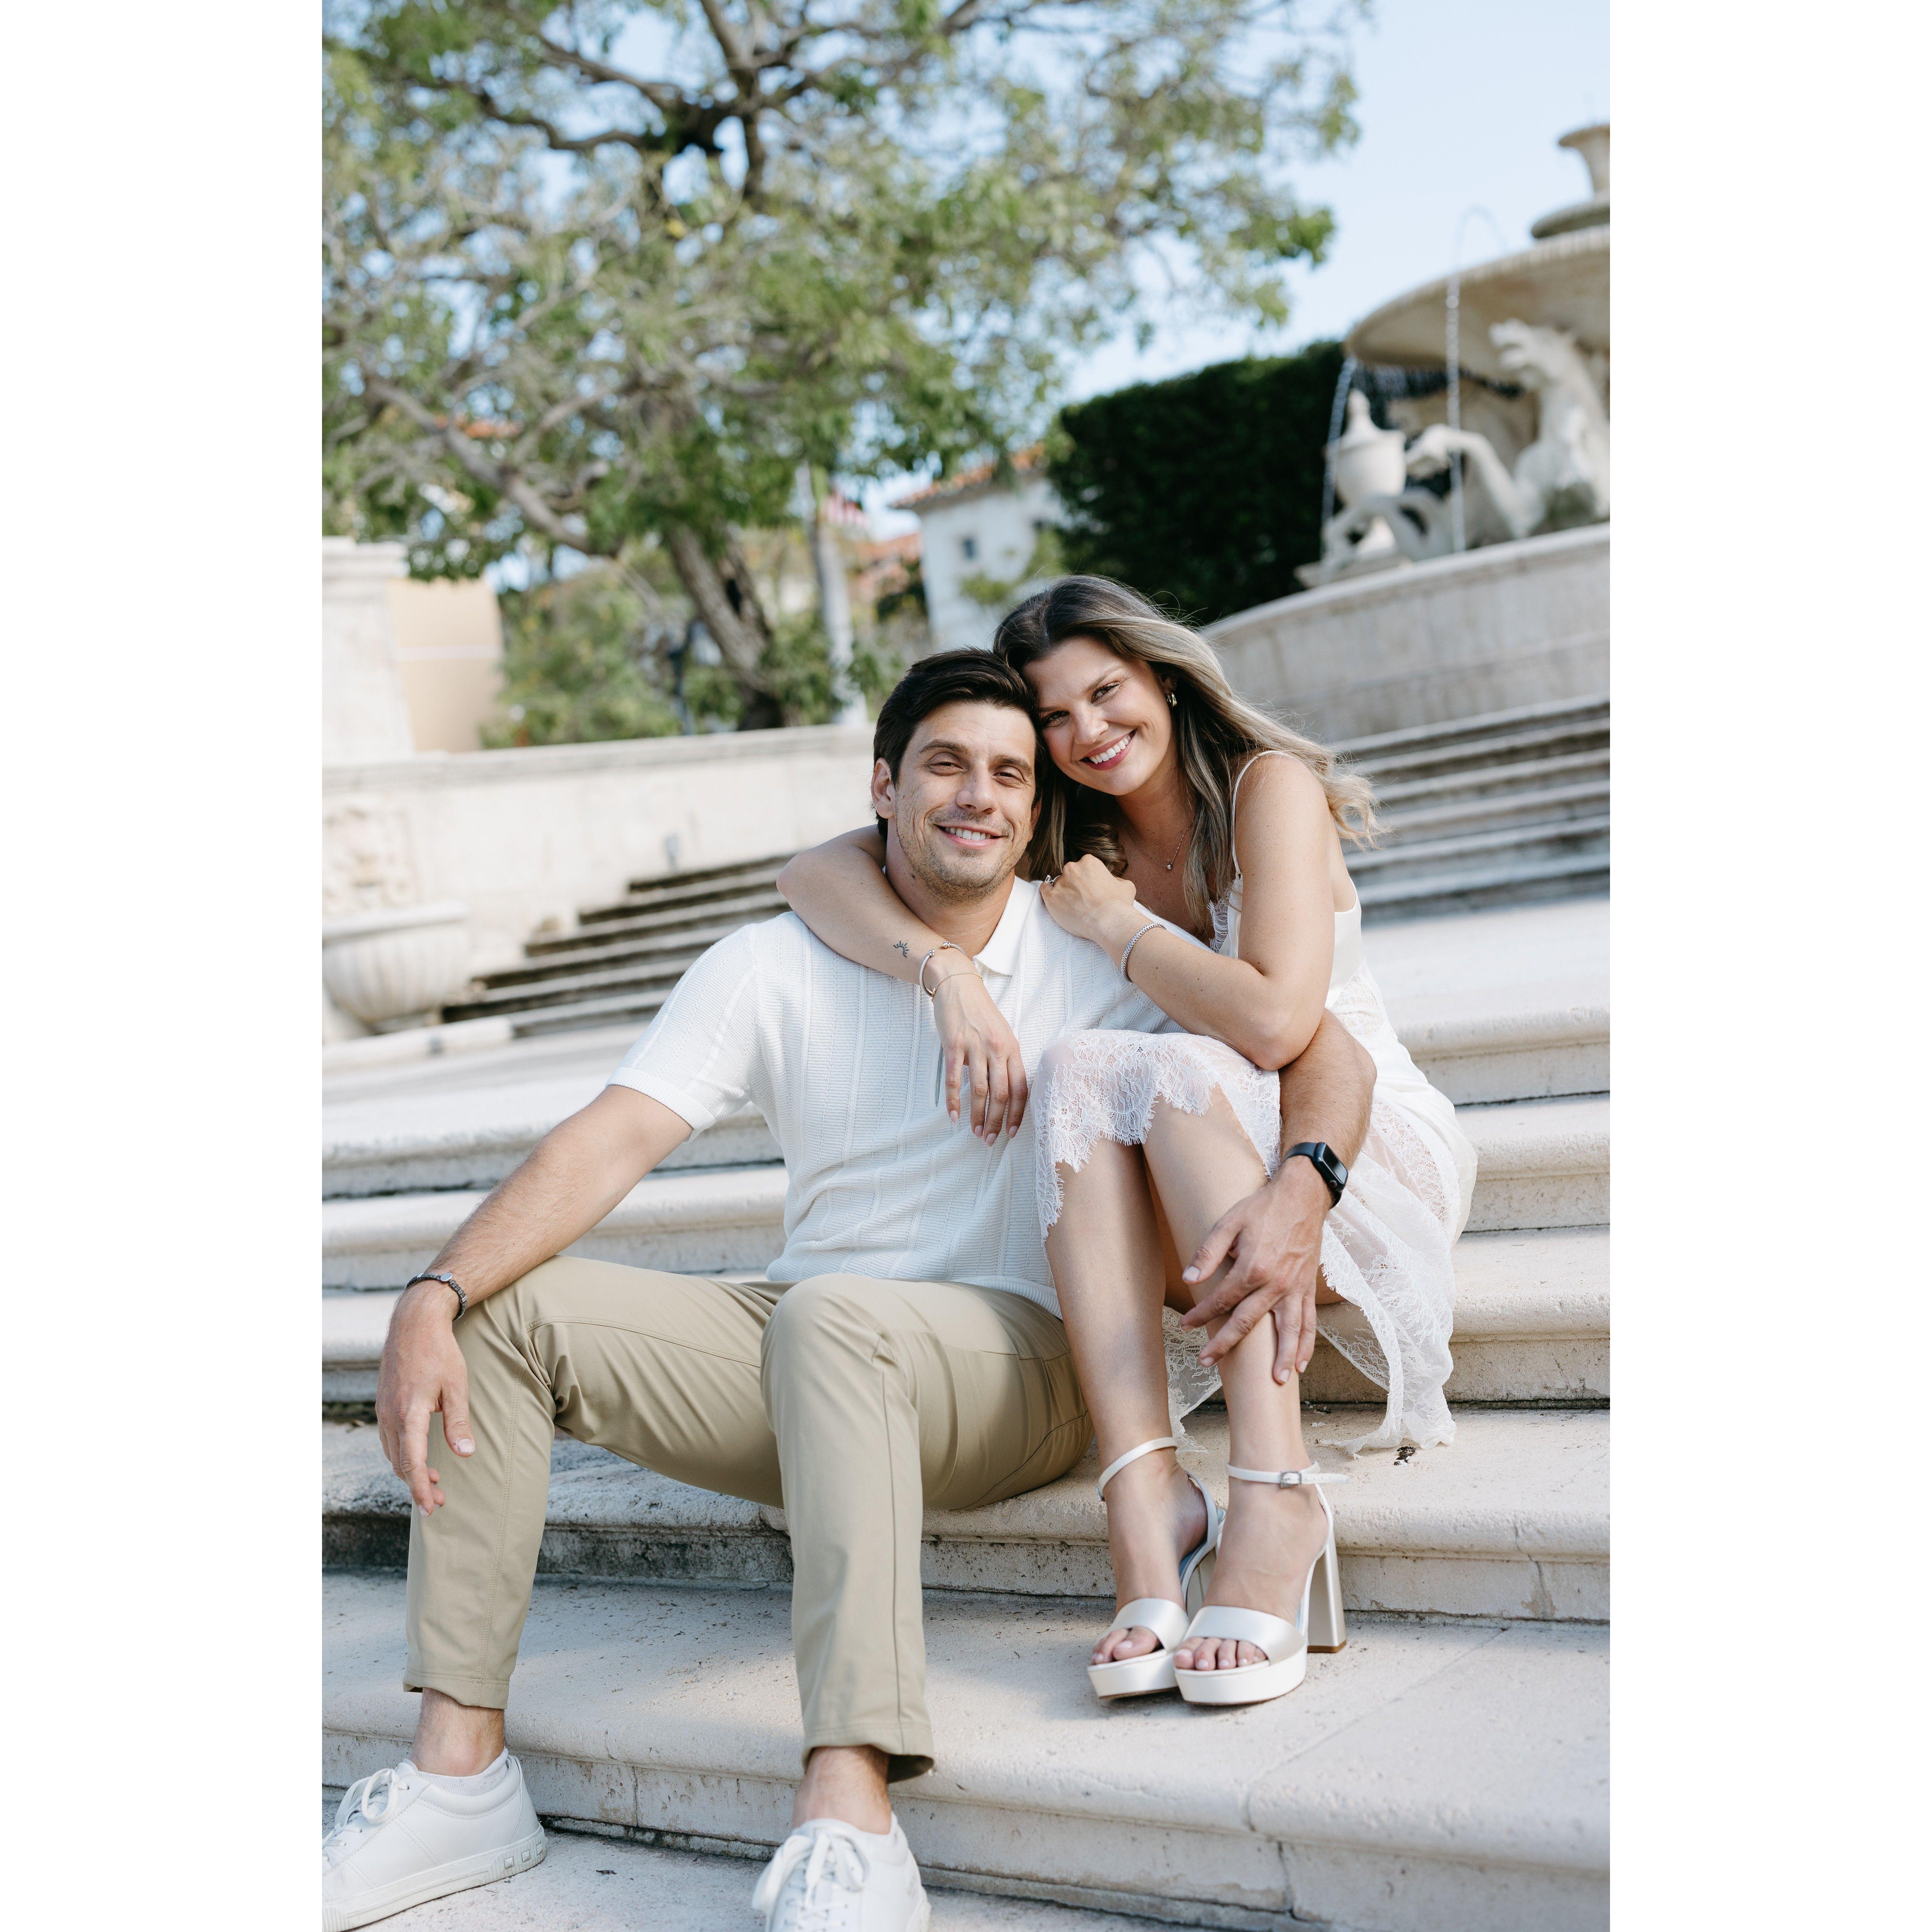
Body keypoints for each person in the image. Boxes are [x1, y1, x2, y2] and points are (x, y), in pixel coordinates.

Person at [323, 650, 1377, 1932]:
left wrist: (1307, 1184)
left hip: (1028, 1363)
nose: (978, 795)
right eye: (946, 766)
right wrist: (432, 1290)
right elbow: (611, 1139)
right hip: (814, 1340)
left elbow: (1316, 1045)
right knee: (503, 1313)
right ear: (883, 787)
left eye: (1010, 774)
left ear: (1037, 809)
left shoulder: (1089, 949)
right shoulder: (771, 961)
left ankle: (851, 1809)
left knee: (836, 1323)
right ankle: (457, 1781)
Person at [775, 577, 1477, 1706]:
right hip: (1197, 1174)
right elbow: (810, 873)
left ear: (1163, 674)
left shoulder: (1264, 791)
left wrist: (1117, 924)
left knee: (1171, 1064)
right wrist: (947, 972)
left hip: (1353, 1151)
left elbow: (1283, 1028)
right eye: (1055, 717)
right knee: (1082, 1067)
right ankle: (1148, 1498)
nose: (1089, 732)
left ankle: (1276, 1490)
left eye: (1107, 691)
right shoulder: (1069, 834)